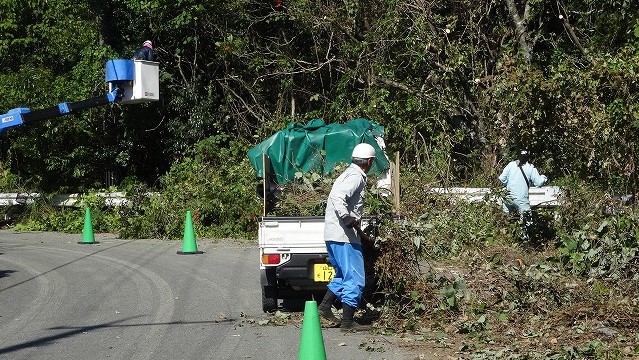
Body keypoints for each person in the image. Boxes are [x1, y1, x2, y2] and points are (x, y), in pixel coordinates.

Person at [317, 142, 376, 332]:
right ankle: (347, 323)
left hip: (334, 235)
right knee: (355, 278)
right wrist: (347, 216)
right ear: (368, 161)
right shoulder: (356, 177)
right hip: (345, 237)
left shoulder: (348, 174)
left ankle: (325, 306)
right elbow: (337, 196)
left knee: (342, 275)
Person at [498, 149, 547, 239]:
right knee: (527, 222)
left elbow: (502, 179)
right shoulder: (530, 167)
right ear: (528, 157)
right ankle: (524, 241)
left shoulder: (511, 165)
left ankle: (504, 238)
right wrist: (544, 177)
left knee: (505, 219)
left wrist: (510, 184)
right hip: (521, 199)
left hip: (508, 197)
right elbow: (538, 183)